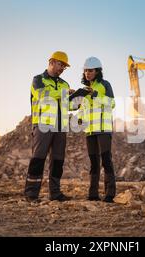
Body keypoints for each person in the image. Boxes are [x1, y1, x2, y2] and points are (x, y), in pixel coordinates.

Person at [24, 51, 75, 202]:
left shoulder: (64, 84)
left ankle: (55, 193)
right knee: (38, 158)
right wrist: (64, 93)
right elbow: (43, 95)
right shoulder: (38, 79)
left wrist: (79, 99)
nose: (62, 69)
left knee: (58, 161)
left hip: (60, 127)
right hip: (43, 125)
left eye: (64, 67)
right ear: (52, 62)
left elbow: (68, 105)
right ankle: (31, 194)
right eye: (61, 65)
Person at [78, 57, 116, 203]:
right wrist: (80, 118)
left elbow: (111, 103)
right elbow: (83, 107)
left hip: (103, 129)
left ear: (97, 71)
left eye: (90, 70)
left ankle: (109, 194)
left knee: (106, 160)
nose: (87, 73)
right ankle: (93, 194)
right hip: (90, 131)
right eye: (86, 70)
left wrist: (96, 95)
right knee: (94, 162)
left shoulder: (105, 85)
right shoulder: (85, 89)